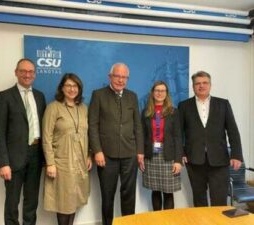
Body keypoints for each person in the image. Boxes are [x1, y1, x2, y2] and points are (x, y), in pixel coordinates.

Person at [88, 63, 144, 225]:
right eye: (117, 76)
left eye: (124, 77)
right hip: (106, 155)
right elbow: (93, 125)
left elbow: (137, 126)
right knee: (107, 195)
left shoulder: (132, 96)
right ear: (110, 77)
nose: (121, 80)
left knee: (129, 195)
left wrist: (139, 151)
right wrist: (97, 151)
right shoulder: (98, 95)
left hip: (130, 154)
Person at [178, 71, 243, 207]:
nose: (201, 86)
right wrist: (181, 154)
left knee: (219, 201)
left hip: (219, 161)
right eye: (197, 83)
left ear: (210, 85)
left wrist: (237, 155)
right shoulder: (184, 106)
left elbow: (233, 131)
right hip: (194, 160)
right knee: (199, 200)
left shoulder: (223, 104)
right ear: (193, 86)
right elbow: (178, 133)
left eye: (205, 83)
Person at [0, 58, 46, 225]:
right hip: (13, 159)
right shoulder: (5, 97)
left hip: (36, 156)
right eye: (23, 71)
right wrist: (3, 163)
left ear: (35, 75)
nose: (27, 74)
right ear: (16, 72)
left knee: (31, 202)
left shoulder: (39, 96)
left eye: (31, 72)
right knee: (12, 203)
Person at [42, 73, 92, 225]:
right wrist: (50, 163)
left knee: (74, 200)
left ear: (79, 89)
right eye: (68, 86)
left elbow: (87, 134)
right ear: (62, 88)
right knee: (64, 203)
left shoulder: (83, 108)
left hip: (80, 162)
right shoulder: (53, 108)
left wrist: (89, 155)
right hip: (62, 163)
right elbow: (46, 137)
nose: (72, 89)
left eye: (75, 86)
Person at [142, 81, 183, 211]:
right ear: (153, 93)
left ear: (167, 94)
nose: (160, 93)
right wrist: (141, 156)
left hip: (168, 156)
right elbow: (142, 135)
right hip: (151, 156)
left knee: (168, 191)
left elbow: (178, 137)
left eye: (163, 91)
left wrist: (178, 160)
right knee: (155, 190)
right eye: (157, 90)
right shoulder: (146, 112)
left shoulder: (173, 112)